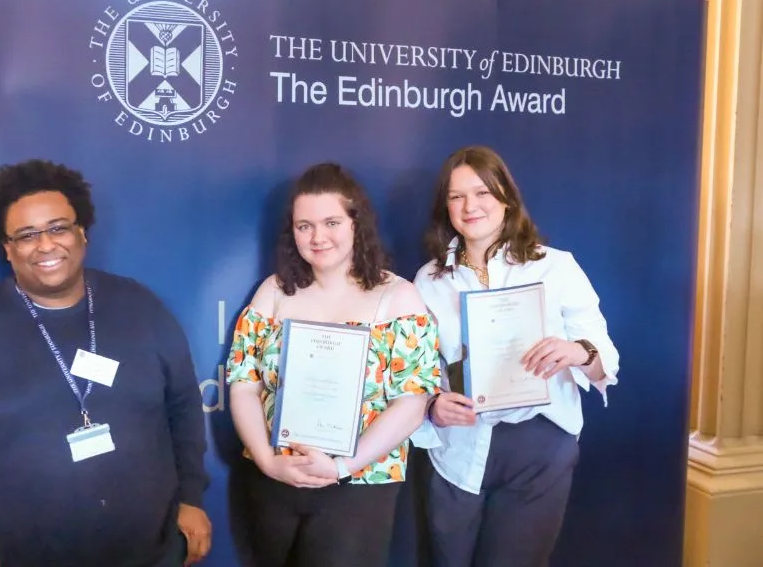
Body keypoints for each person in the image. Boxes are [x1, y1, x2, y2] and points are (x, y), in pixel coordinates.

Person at [0, 159, 212, 567]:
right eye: (26, 235)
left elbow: (182, 406)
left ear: (82, 233)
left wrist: (191, 498)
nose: (45, 245)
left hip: (148, 552)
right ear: (7, 248)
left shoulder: (141, 307)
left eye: (58, 228)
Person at [413, 146, 620, 567]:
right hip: (459, 445)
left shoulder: (555, 267)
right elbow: (418, 369)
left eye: (483, 192)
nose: (470, 206)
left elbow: (604, 358)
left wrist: (577, 352)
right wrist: (434, 404)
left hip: (538, 447)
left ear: (506, 197)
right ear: (445, 207)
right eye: (456, 196)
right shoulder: (428, 280)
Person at [226, 162, 441, 567]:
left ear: (356, 224)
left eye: (331, 222)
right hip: (274, 479)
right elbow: (242, 384)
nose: (317, 237)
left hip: (360, 485)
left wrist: (343, 465)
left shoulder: (398, 297)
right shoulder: (273, 292)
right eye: (304, 225)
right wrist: (269, 461)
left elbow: (413, 402)